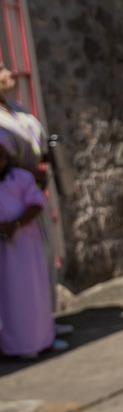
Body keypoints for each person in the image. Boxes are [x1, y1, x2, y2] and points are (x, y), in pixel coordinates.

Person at [0, 147, 53, 360]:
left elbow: (37, 203)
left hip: (25, 245)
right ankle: (13, 345)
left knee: (32, 292)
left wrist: (16, 223)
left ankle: (40, 340)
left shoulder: (20, 178)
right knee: (9, 298)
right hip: (4, 249)